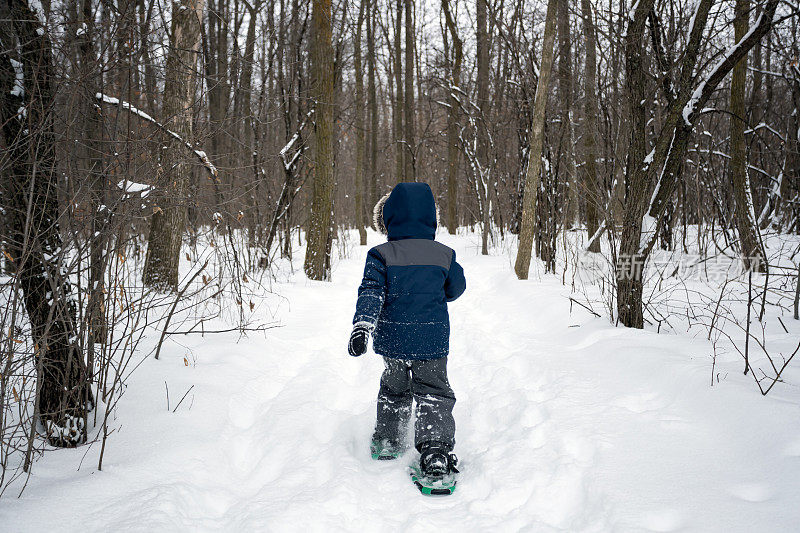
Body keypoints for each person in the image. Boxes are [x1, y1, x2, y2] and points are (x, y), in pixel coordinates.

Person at [347, 182, 466, 479]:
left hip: (394, 341)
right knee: (434, 393)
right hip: (432, 340)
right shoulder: (444, 254)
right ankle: (435, 451)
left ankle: (389, 438)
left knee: (394, 389)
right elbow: (457, 288)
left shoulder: (380, 254)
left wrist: (362, 325)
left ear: (388, 219)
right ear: (431, 218)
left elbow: (371, 293)